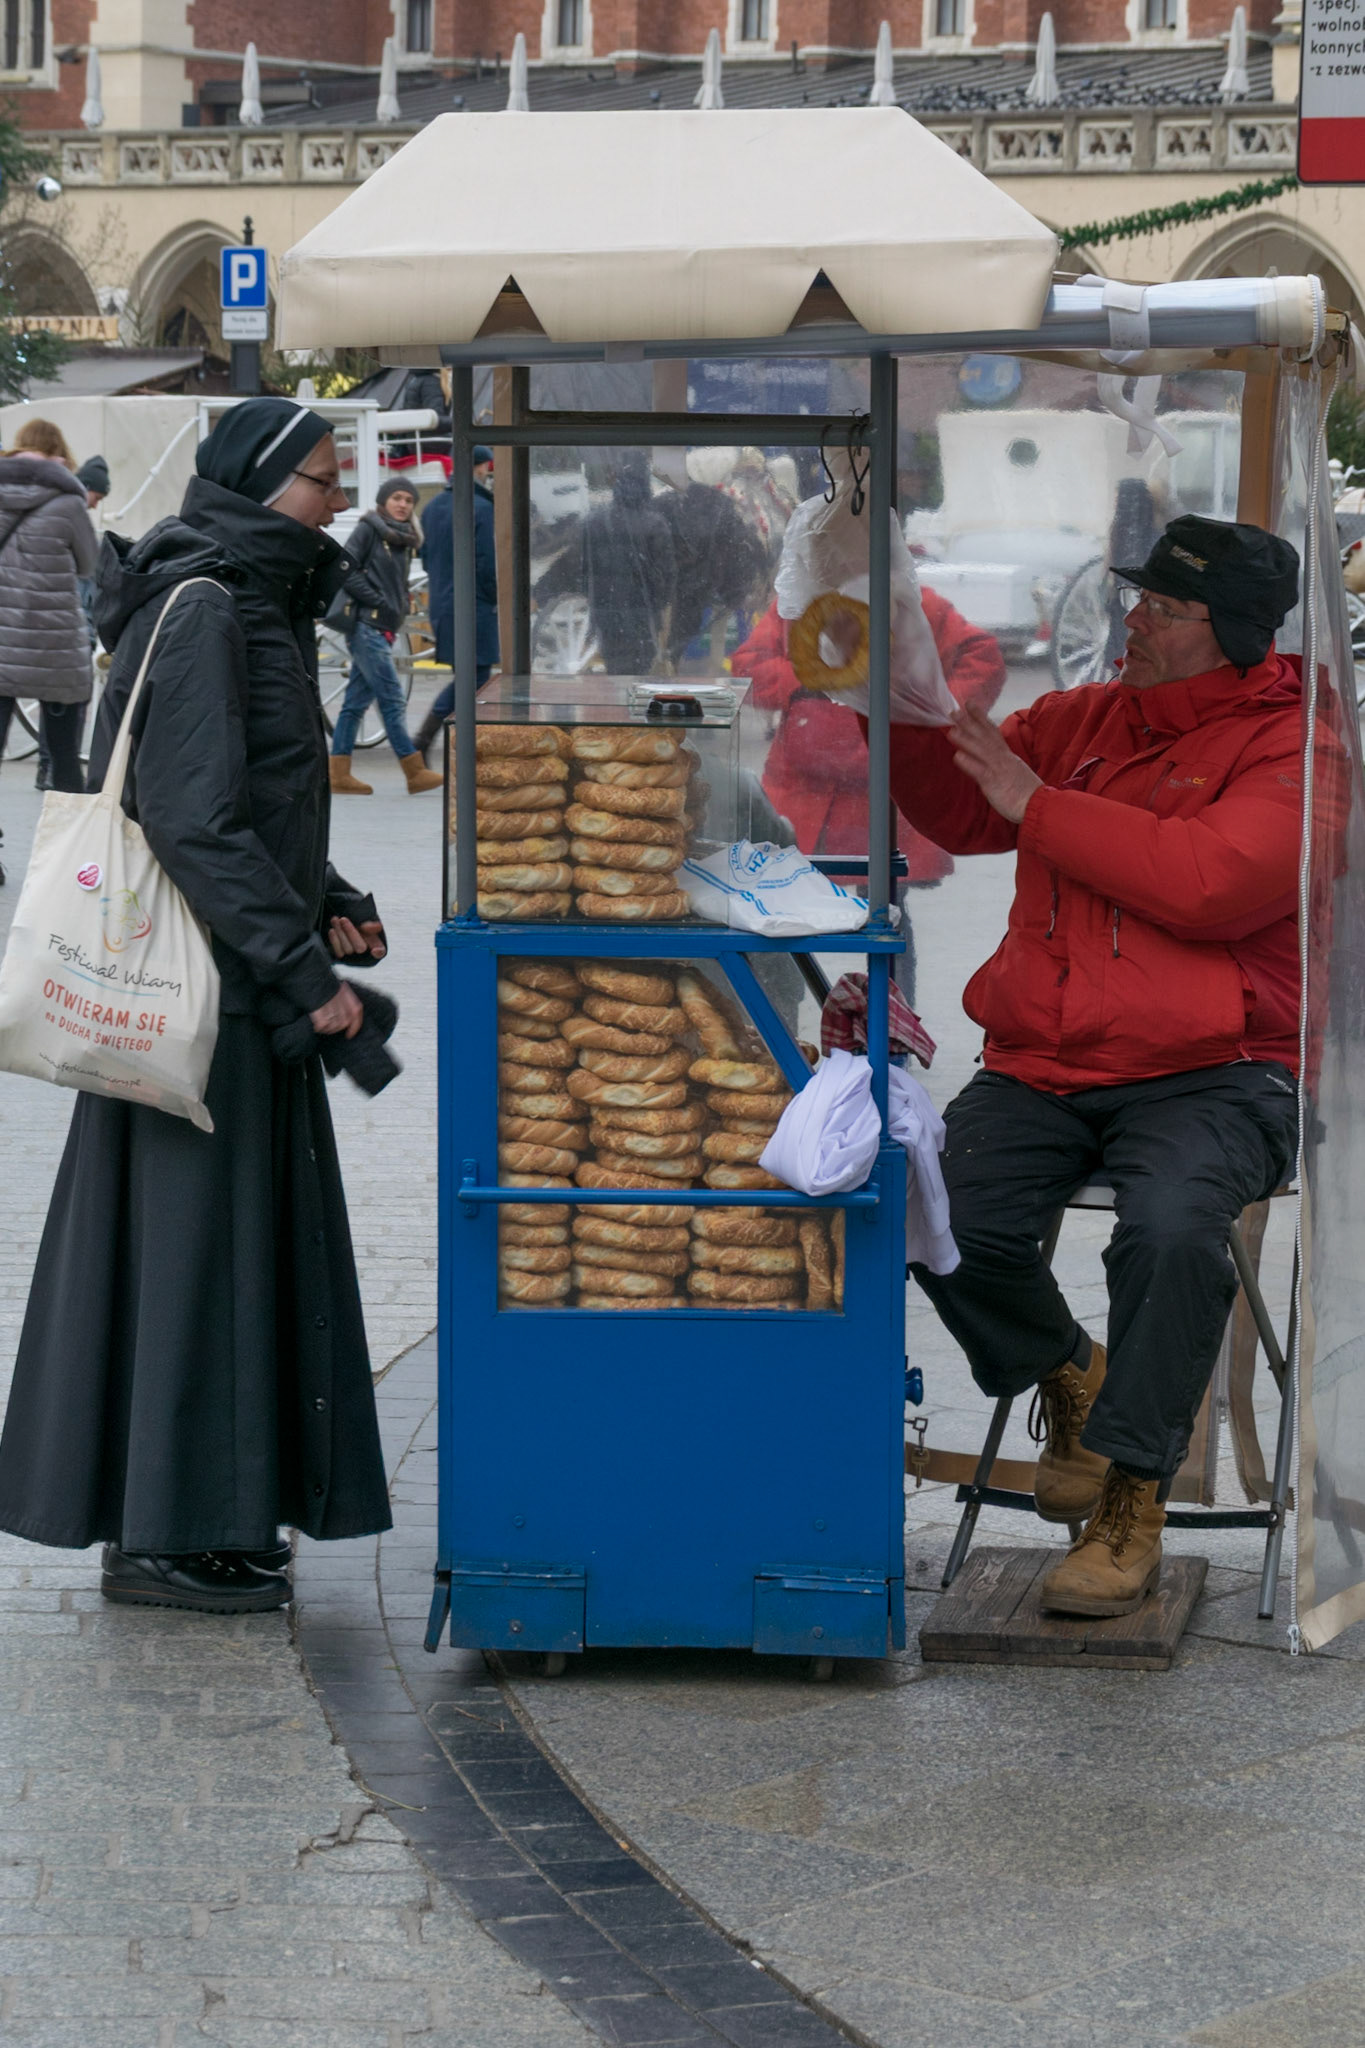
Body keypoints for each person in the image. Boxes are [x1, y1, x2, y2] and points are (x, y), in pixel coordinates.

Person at [0, 397, 393, 1615]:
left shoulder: (247, 596)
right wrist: (304, 969)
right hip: (203, 995)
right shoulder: (218, 604)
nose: (340, 500)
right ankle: (166, 1533)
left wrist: (330, 894)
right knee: (192, 1256)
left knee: (209, 1253)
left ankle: (201, 1515)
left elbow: (251, 794)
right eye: (325, 480)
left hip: (230, 979)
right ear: (265, 484)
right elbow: (187, 816)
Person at [888, 516, 1303, 1618]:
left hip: (1221, 1064)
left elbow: (1211, 880)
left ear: (1234, 634)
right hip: (1048, 1053)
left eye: (1165, 609)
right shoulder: (1080, 719)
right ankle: (1075, 1371)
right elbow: (967, 807)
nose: (1134, 620)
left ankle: (1133, 1494)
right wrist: (910, 710)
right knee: (928, 1196)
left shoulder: (1297, 746)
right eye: (1142, 599)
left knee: (1171, 1228)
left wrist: (1043, 804)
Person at [0, 417, 97, 793]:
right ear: (58, 453)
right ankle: (67, 848)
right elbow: (90, 565)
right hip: (52, 645)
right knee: (64, 756)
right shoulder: (69, 502)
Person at [328, 479, 441, 795]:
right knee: (391, 697)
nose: (403, 504)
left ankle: (338, 774)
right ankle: (414, 771)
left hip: (385, 628)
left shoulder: (404, 539)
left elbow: (394, 581)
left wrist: (400, 601)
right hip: (367, 626)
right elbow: (344, 567)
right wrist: (376, 600)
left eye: (408, 499)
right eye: (396, 498)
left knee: (354, 704)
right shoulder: (369, 529)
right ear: (383, 500)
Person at [533, 450, 675, 677]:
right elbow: (665, 579)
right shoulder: (655, 524)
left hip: (605, 613)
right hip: (641, 616)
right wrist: (659, 609)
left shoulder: (594, 521)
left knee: (615, 668)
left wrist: (543, 592)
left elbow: (577, 566)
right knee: (639, 672)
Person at [412, 444, 499, 760]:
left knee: (469, 678)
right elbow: (488, 566)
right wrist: (496, 599)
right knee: (474, 680)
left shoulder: (433, 507)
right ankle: (425, 741)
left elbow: (425, 560)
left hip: (443, 605)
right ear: (481, 468)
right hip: (474, 607)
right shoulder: (482, 508)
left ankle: (431, 742)